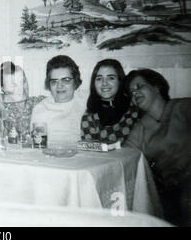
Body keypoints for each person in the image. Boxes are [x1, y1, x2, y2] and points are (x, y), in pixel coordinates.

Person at [124, 69, 191, 227]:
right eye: (131, 92)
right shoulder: (140, 127)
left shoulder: (183, 107)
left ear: (156, 87)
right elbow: (125, 154)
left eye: (139, 86)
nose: (135, 93)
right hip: (171, 194)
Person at [30, 55, 87, 145]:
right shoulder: (40, 110)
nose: (59, 86)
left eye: (66, 80)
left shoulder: (86, 101)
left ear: (75, 81)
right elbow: (38, 144)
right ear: (49, 84)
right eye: (54, 81)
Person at [81, 59, 139, 143]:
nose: (104, 83)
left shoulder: (134, 111)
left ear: (120, 81)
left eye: (111, 78)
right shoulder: (89, 117)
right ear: (94, 83)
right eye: (99, 78)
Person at [0, 61, 45, 143]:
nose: (22, 88)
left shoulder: (39, 103)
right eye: (13, 84)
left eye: (23, 81)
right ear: (3, 88)